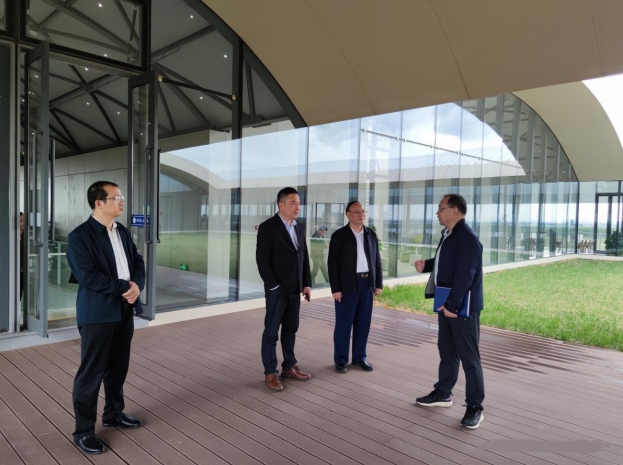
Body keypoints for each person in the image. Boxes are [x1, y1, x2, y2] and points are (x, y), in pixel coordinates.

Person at [66, 181, 145, 454]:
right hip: (97, 313)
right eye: (116, 197)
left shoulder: (121, 231)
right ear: (99, 202)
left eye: (121, 197)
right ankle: (84, 431)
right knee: (92, 372)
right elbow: (88, 277)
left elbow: (137, 261)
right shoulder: (80, 236)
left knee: (118, 367)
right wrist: (125, 287)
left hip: (124, 310)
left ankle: (113, 414)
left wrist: (137, 285)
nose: (121, 201)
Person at [414, 194, 485, 429]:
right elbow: (447, 262)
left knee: (469, 358)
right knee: (447, 350)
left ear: (454, 211)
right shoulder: (450, 234)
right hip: (447, 303)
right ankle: (443, 393)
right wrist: (428, 264)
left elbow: (466, 275)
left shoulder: (467, 238)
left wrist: (453, 306)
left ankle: (475, 407)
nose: (437, 212)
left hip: (461, 307)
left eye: (440, 208)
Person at [256, 187, 312, 391]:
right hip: (277, 291)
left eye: (299, 203)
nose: (298, 207)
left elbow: (303, 256)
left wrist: (306, 283)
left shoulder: (300, 227)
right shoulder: (268, 227)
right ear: (281, 205)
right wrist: (273, 286)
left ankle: (289, 366)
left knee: (291, 329)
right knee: (272, 332)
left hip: (295, 290)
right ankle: (270, 372)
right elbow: (262, 260)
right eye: (293, 203)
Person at [328, 201, 383, 374]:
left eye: (363, 211)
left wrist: (378, 283)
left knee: (363, 323)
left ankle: (360, 358)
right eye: (357, 211)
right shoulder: (339, 236)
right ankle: (341, 360)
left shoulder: (370, 234)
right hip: (347, 286)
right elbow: (332, 264)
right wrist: (336, 288)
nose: (361, 214)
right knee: (344, 324)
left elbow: (377, 260)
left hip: (367, 285)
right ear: (348, 214)